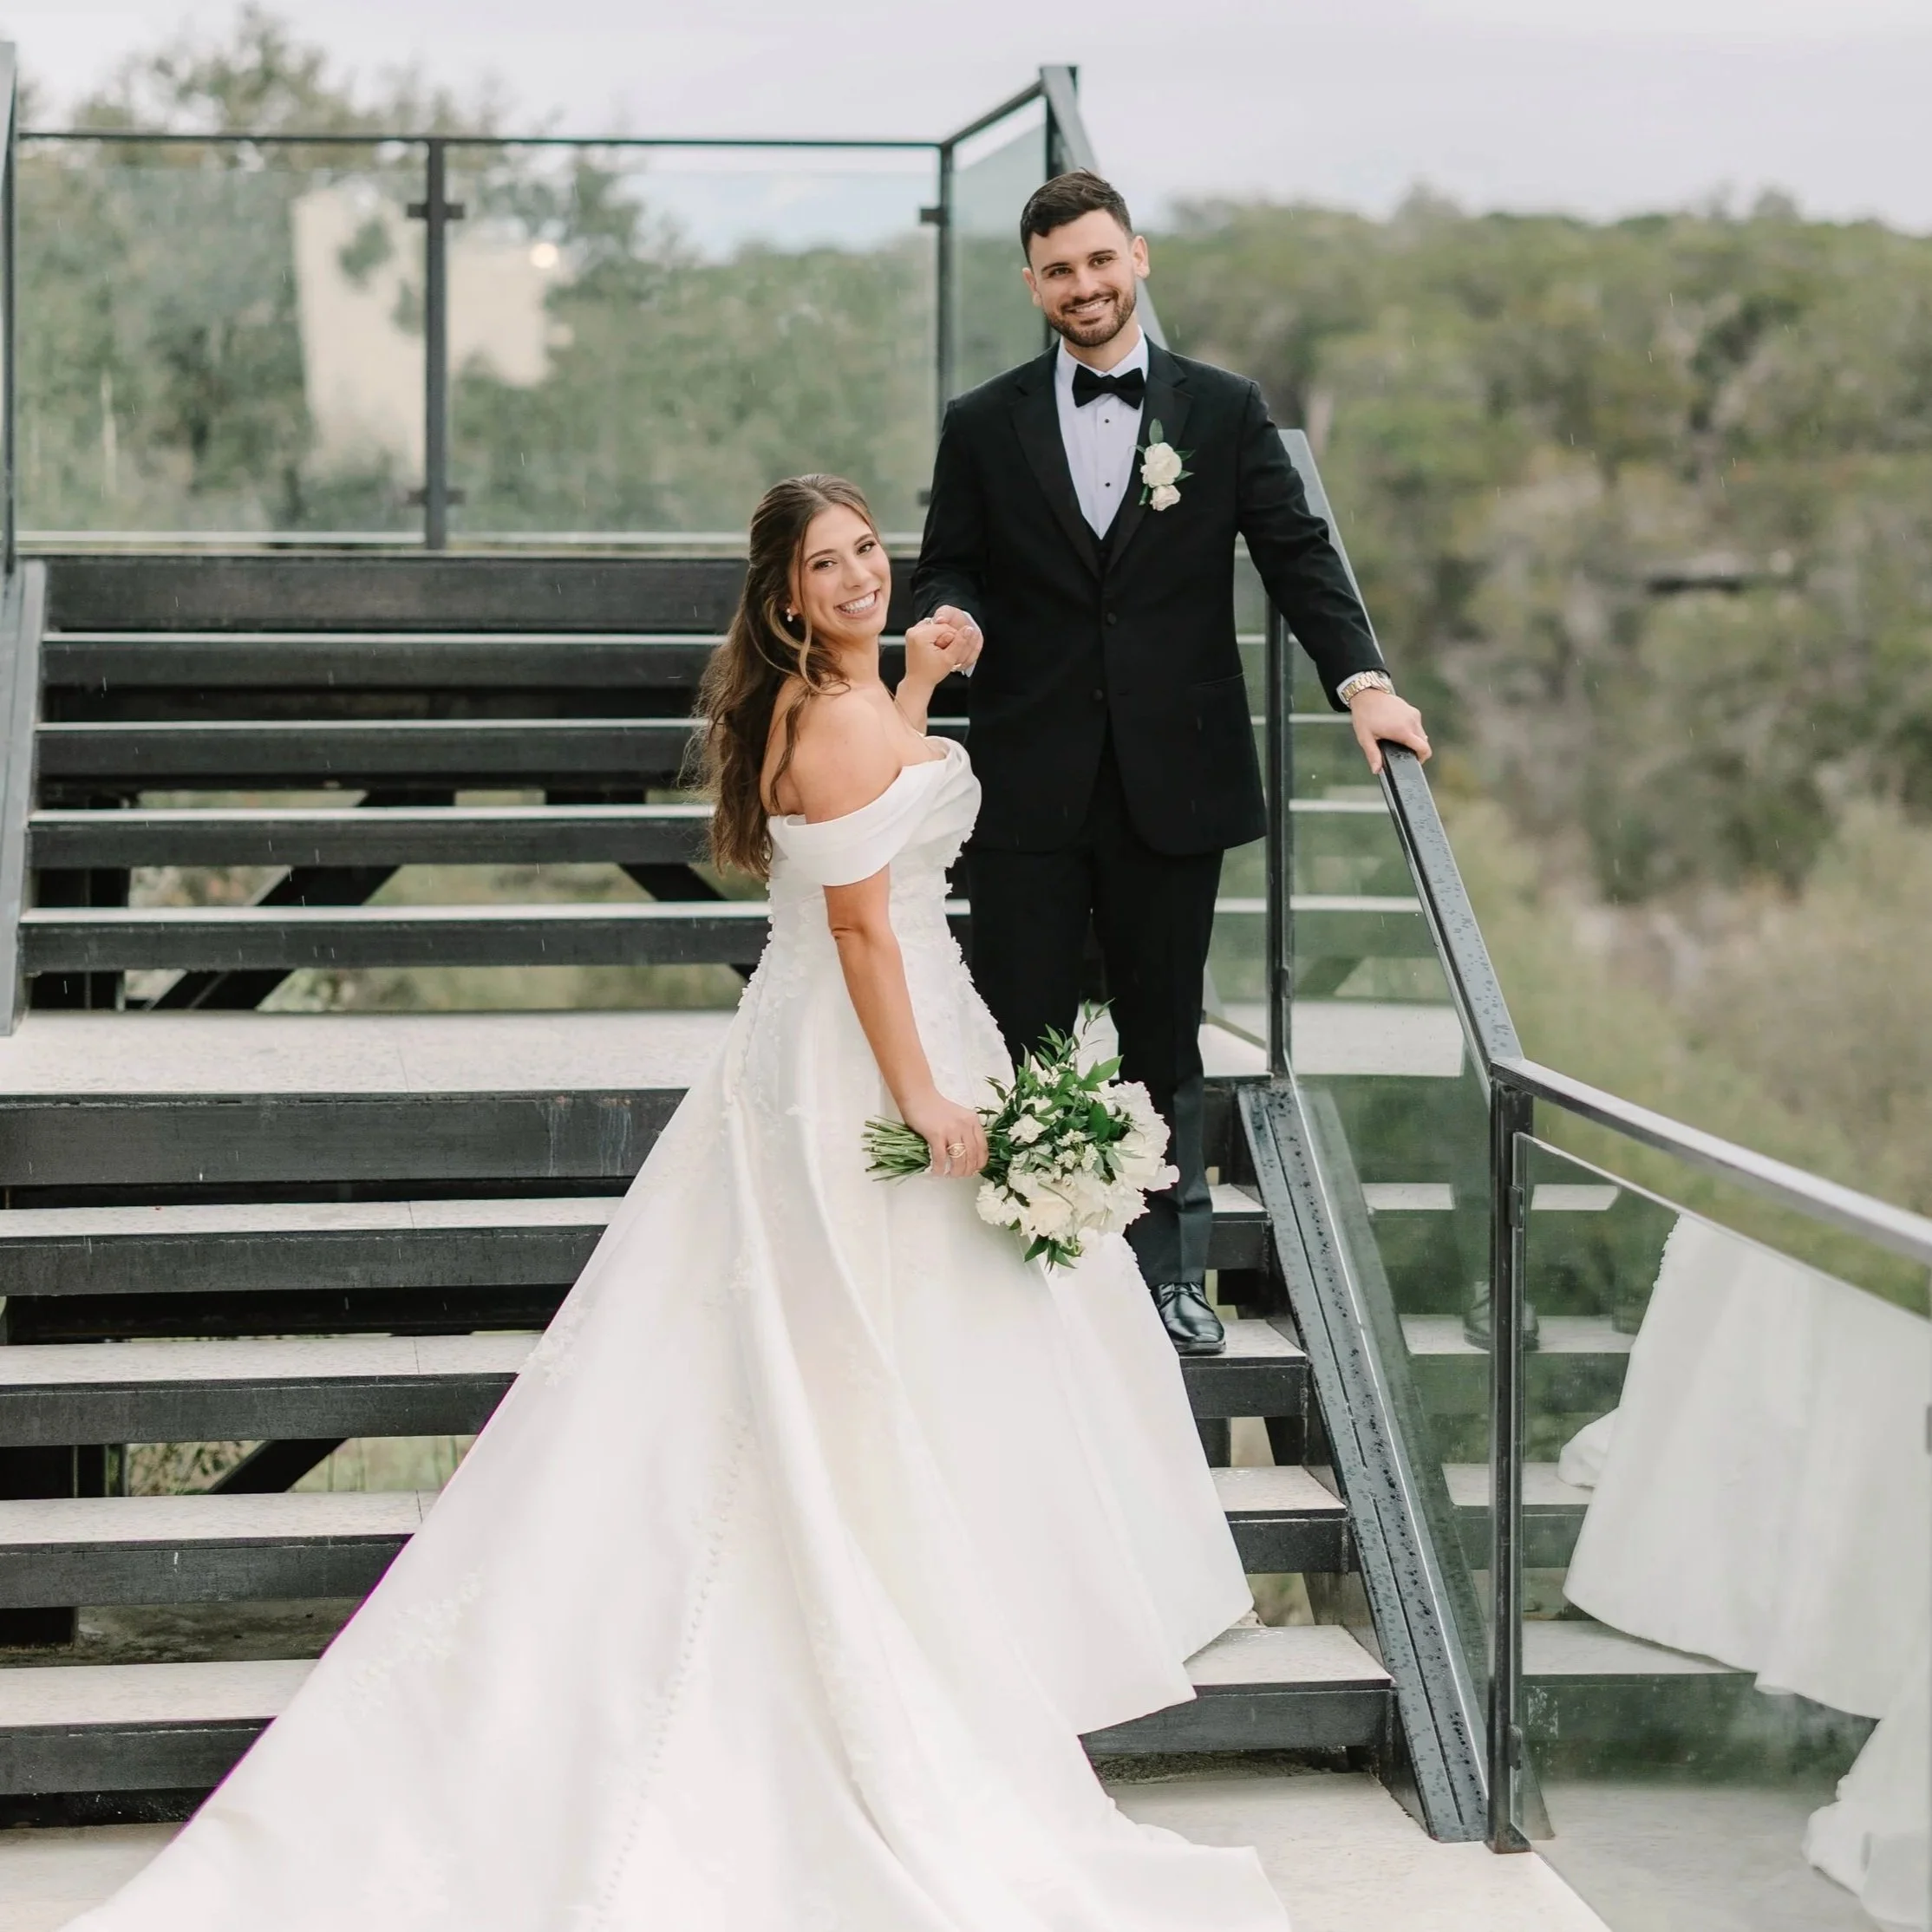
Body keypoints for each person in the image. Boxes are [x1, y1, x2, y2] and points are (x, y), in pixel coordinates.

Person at [67, 475, 1288, 1932]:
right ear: (782, 599)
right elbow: (858, 926)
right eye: (826, 568)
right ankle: (868, 1654)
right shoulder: (823, 723)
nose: (857, 578)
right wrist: (925, 1098)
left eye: (865, 553)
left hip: (857, 1030)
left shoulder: (838, 699)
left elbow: (874, 818)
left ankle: (929, 1641)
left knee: (881, 1357)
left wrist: (912, 675)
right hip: (862, 1052)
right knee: (848, 1355)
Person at [914, 168, 1430, 1357]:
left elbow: (1298, 556)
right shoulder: (982, 423)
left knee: (1163, 1036)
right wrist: (956, 622)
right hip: (1031, 780)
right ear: (1033, 282)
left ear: (1136, 258)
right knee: (1018, 1027)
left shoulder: (1223, 411)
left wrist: (1365, 684)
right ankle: (1015, 1266)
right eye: (1059, 271)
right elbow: (951, 565)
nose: (1084, 288)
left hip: (1173, 784)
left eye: (1101, 262)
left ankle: (1164, 1274)